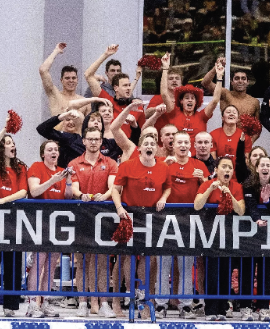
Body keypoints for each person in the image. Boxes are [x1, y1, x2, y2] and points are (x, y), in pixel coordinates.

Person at [111, 133, 172, 317]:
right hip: (130, 217)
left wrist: (163, 198)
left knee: (150, 259)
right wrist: (119, 208)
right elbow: (115, 189)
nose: (149, 146)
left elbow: (168, 187)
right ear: (139, 148)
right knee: (125, 259)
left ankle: (144, 297)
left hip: (151, 219)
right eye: (146, 143)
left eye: (153, 144)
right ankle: (121, 299)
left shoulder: (163, 167)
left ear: (156, 149)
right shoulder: (128, 166)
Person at [154, 131, 209, 319]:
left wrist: (204, 180)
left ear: (190, 146)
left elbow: (210, 193)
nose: (183, 145)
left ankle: (185, 305)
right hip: (166, 221)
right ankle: (160, 305)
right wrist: (162, 167)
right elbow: (155, 184)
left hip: (189, 222)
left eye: (186, 142)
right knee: (164, 263)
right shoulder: (165, 164)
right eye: (179, 142)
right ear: (173, 145)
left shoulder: (199, 166)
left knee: (186, 265)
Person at [69, 127, 118, 318]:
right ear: (83, 141)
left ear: (101, 142)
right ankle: (83, 302)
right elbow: (74, 188)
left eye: (97, 139)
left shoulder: (111, 163)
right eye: (90, 139)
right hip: (81, 217)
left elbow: (113, 187)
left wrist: (103, 196)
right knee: (81, 262)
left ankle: (104, 302)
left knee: (103, 262)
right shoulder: (74, 163)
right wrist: (82, 195)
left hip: (102, 218)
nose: (93, 142)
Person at [194, 157, 245, 321]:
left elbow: (241, 211)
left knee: (225, 272)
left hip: (228, 237)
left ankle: (222, 309)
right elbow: (197, 205)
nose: (228, 170)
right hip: (210, 236)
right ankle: (210, 310)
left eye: (230, 167)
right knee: (212, 272)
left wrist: (230, 195)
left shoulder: (236, 187)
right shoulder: (207, 185)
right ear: (216, 170)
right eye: (224, 167)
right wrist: (210, 190)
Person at [27, 140, 73, 318]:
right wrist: (52, 180)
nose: (54, 152)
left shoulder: (62, 172)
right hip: (39, 223)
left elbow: (67, 197)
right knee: (38, 263)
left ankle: (45, 301)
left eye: (56, 149)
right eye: (49, 149)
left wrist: (67, 181)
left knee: (52, 264)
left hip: (57, 224)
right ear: (43, 154)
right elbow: (35, 190)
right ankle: (32, 303)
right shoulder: (37, 167)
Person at [242, 156, 270, 322]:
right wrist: (257, 219)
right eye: (262, 165)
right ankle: (246, 307)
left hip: (268, 234)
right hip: (248, 233)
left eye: (268, 165)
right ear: (257, 168)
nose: (265, 168)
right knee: (247, 269)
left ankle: (263, 307)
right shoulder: (249, 183)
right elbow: (250, 206)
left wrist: (267, 201)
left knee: (266, 271)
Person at [160, 53, 223, 155]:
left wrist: (219, 77)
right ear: (181, 101)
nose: (189, 100)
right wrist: (165, 69)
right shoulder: (173, 112)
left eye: (192, 98)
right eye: (186, 98)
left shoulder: (202, 116)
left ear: (196, 102)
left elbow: (215, 100)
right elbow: (164, 94)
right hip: (177, 158)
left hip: (197, 159)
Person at [85, 44, 145, 139]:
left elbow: (143, 131)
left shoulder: (137, 106)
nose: (129, 88)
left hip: (129, 148)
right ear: (116, 88)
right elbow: (88, 75)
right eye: (125, 85)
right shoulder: (108, 102)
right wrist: (106, 54)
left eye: (129, 85)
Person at [0, 121, 28, 317]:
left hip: (13, 220)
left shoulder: (20, 167)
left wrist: (2, 200)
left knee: (13, 262)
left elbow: (23, 191)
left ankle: (11, 304)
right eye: (7, 143)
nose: (12, 145)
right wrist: (5, 130)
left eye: (13, 143)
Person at [39, 42, 90, 116]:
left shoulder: (84, 102)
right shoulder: (55, 95)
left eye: (73, 78)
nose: (71, 80)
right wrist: (56, 51)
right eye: (67, 78)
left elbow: (87, 126)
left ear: (77, 80)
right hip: (58, 127)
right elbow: (43, 70)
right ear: (61, 80)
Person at [210, 105, 252, 174]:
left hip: (239, 175)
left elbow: (247, 161)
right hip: (220, 174)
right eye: (228, 112)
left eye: (234, 113)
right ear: (222, 118)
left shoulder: (245, 136)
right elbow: (213, 160)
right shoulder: (213, 135)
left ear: (238, 119)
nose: (231, 114)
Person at [145, 65, 182, 139]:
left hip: (180, 139)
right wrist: (156, 109)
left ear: (181, 82)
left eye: (177, 78)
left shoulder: (185, 99)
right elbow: (146, 114)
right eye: (171, 78)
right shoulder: (158, 98)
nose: (174, 80)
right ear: (165, 82)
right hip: (161, 139)